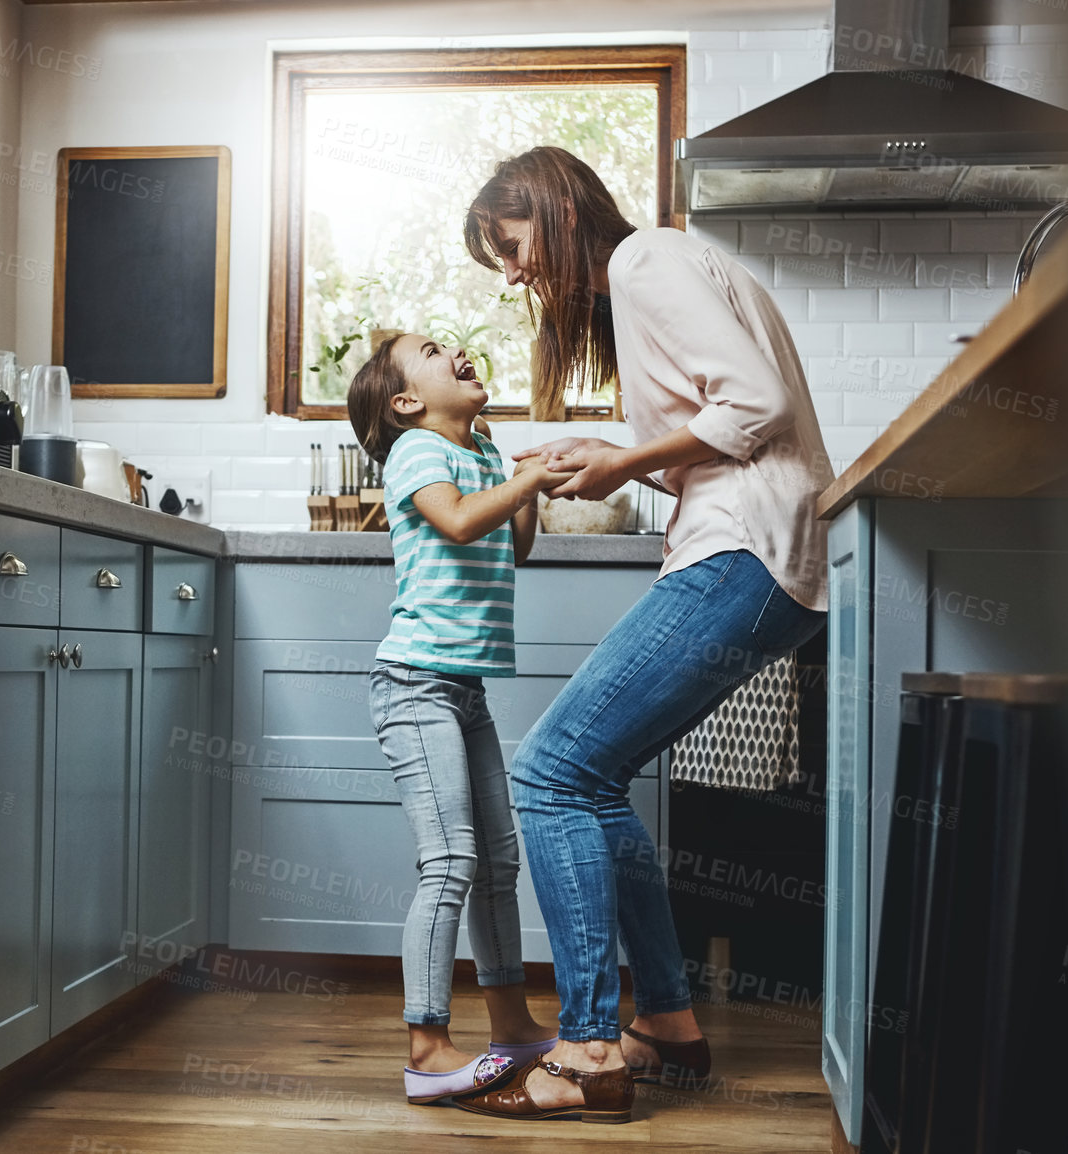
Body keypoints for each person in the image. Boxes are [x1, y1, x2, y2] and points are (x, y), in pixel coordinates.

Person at [450, 146, 834, 1124]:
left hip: (740, 548)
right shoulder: (657, 272)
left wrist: (623, 463)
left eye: (512, 241)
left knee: (550, 772)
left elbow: (759, 407)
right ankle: (663, 1021)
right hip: (755, 548)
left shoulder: (644, 261)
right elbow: (725, 430)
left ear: (555, 207)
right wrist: (617, 457)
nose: (512, 272)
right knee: (591, 775)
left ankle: (584, 1045)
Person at [346, 331, 566, 1108]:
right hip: (413, 686)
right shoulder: (415, 451)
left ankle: (511, 1023)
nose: (461, 350)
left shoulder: (482, 453)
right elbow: (462, 524)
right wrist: (523, 478)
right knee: (450, 862)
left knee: (497, 863)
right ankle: (428, 1046)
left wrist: (527, 482)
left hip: (462, 690)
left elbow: (515, 545)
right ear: (406, 402)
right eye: (434, 351)